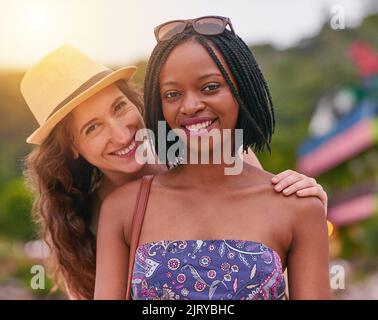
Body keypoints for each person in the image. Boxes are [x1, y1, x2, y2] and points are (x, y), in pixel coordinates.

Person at [22, 44, 327, 300]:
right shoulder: (85, 224)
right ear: (71, 147)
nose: (121, 133)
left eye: (119, 107)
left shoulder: (221, 153)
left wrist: (308, 204)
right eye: (92, 128)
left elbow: (272, 250)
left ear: (136, 101)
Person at [94, 16, 330, 300]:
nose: (191, 106)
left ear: (242, 89)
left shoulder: (298, 207)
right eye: (173, 94)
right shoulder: (122, 209)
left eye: (210, 87)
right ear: (160, 105)